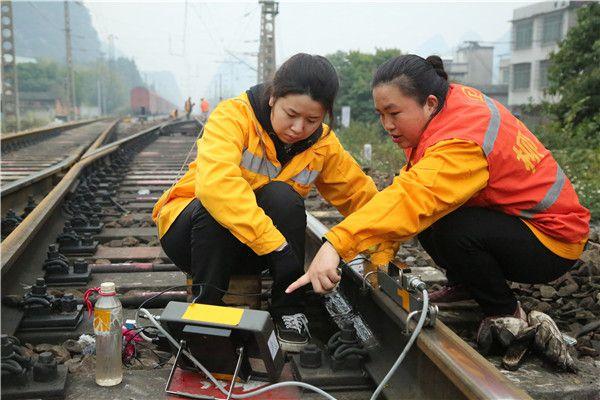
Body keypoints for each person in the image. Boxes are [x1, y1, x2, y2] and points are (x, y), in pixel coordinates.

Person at [287, 55, 589, 357]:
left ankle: (506, 311)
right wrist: (378, 252)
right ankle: (467, 288)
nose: (387, 125)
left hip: (552, 240)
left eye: (394, 113)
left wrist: (336, 245)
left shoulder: (461, 140)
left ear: (429, 103)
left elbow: (412, 199)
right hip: (514, 220)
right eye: (380, 114)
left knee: (452, 228)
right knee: (436, 219)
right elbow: (406, 191)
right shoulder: (448, 108)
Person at [152, 53, 395, 352]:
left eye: (311, 120)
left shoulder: (322, 144)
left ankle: (288, 310)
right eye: (290, 114)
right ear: (272, 98)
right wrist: (276, 247)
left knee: (284, 197)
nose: (298, 128)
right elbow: (216, 187)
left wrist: (384, 253)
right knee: (215, 205)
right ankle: (205, 313)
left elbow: (363, 198)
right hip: (190, 238)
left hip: (252, 249)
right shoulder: (233, 116)